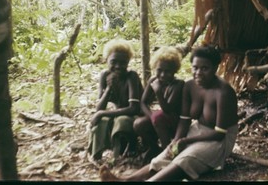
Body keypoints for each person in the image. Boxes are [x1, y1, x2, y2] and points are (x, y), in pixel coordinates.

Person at [100, 45, 238, 181]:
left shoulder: (223, 92)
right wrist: (177, 141)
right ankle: (126, 180)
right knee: (166, 155)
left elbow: (220, 134)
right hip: (197, 131)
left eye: (205, 68)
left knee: (185, 159)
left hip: (219, 140)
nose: (198, 73)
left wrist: (186, 140)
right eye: (195, 68)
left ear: (215, 68)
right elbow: (185, 120)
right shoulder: (190, 85)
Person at [88, 39, 142, 163]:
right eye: (113, 62)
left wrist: (102, 113)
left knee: (122, 120)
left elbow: (134, 108)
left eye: (123, 63)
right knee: (100, 122)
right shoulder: (104, 75)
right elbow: (99, 108)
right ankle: (97, 156)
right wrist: (108, 89)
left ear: (128, 62)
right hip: (118, 112)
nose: (118, 66)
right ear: (106, 60)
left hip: (133, 115)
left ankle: (125, 151)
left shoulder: (131, 76)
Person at [133, 46, 185, 164]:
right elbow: (143, 102)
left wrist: (158, 91)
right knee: (138, 124)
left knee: (159, 117)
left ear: (174, 71)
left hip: (175, 123)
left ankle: (167, 152)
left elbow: (168, 109)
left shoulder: (178, 85)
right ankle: (154, 148)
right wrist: (151, 116)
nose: (162, 75)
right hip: (159, 121)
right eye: (159, 70)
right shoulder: (153, 80)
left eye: (167, 71)